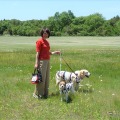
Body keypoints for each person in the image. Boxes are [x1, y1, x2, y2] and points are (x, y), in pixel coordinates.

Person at [33, 28, 60, 99]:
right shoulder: (39, 41)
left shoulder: (47, 42)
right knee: (41, 78)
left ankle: (45, 93)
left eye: (47, 33)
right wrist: (36, 63)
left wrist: (55, 52)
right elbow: (37, 53)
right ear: (42, 33)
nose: (45, 34)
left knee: (46, 78)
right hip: (41, 61)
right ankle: (38, 94)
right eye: (44, 33)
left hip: (47, 61)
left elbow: (48, 52)